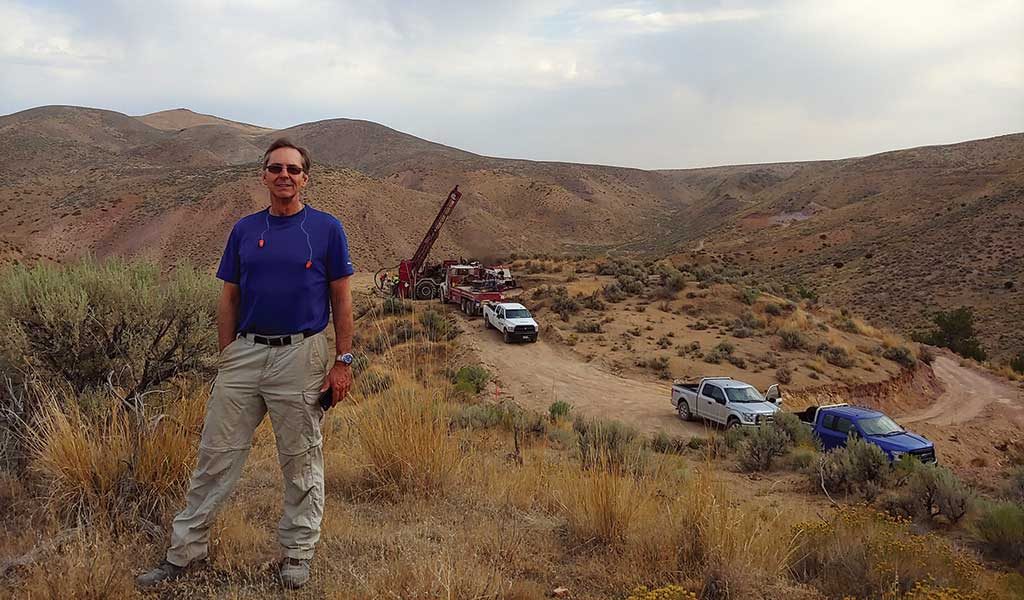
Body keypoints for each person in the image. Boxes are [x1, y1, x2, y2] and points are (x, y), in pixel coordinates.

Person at [137, 138, 355, 590]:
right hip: (245, 354)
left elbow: (341, 298)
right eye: (276, 168)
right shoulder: (243, 230)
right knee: (215, 456)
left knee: (300, 458)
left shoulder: (327, 229)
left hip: (302, 353)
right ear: (263, 176)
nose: (284, 176)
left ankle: (297, 552)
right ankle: (184, 552)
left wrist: (343, 361)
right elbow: (229, 297)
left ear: (306, 178)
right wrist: (228, 354)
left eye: (293, 169)